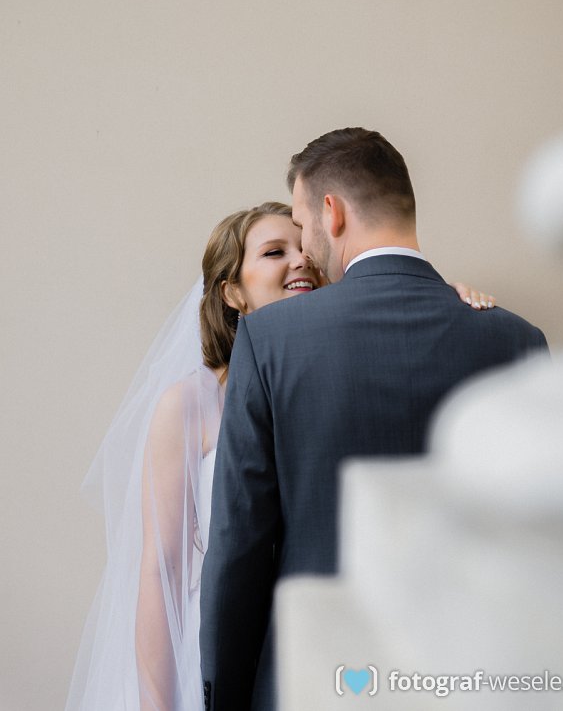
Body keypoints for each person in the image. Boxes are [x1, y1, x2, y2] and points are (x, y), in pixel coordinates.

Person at [65, 199, 493, 711]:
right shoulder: (189, 404)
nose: (300, 260)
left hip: (344, 651)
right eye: (274, 252)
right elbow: (162, 570)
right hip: (222, 654)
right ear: (233, 292)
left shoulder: (341, 377)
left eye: (303, 247)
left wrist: (446, 300)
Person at [199, 128, 549, 711]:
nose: (305, 253)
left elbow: (241, 544)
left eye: (303, 226)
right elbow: (534, 538)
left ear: (332, 213)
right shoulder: (517, 339)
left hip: (314, 680)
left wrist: (226, 696)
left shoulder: (270, 339)